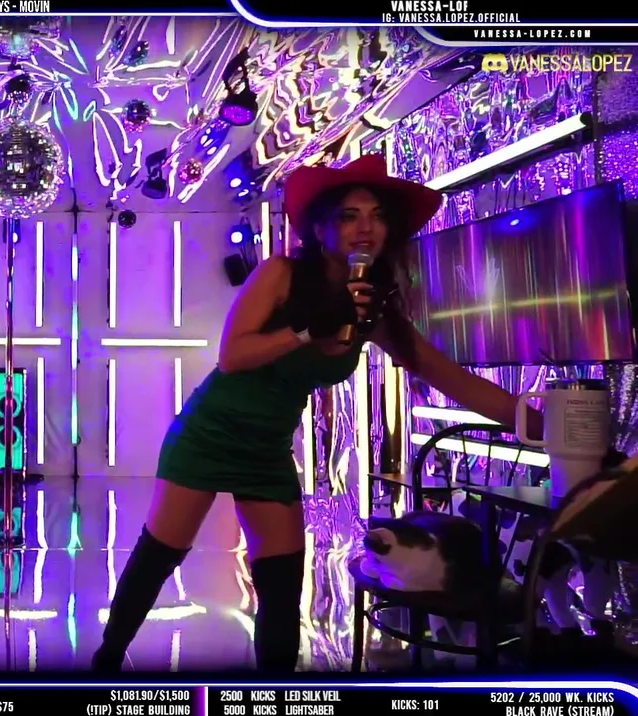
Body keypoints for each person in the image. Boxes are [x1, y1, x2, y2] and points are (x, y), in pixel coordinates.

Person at [91, 154, 545, 672]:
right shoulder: (281, 274)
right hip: (209, 434)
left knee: (282, 582)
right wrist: (310, 330)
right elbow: (232, 356)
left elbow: (451, 378)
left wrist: (544, 427)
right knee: (159, 556)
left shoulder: (372, 309)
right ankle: (104, 664)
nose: (365, 227)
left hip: (267, 450)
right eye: (349, 216)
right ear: (322, 228)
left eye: (376, 215)